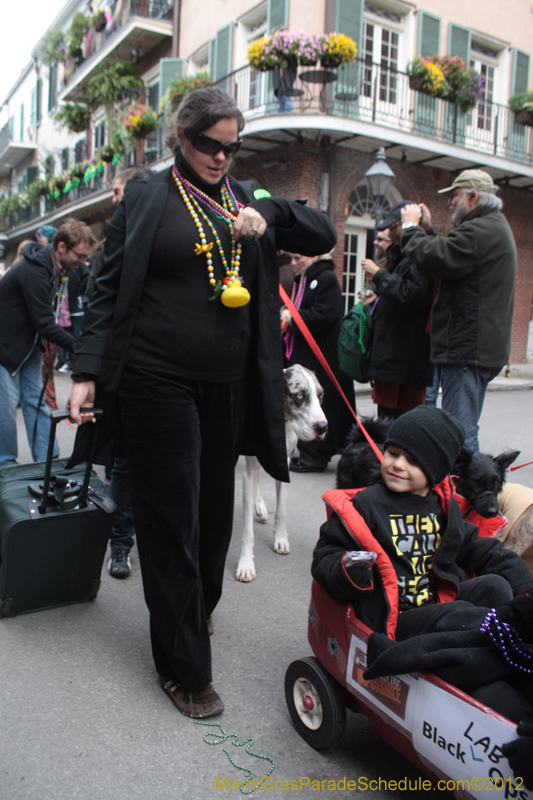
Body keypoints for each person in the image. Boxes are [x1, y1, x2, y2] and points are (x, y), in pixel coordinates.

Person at [67, 86, 337, 718]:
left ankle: (194, 610)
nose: (220, 156)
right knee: (171, 515)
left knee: (214, 517)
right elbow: (106, 288)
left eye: (231, 147)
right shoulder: (146, 197)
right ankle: (183, 666)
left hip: (229, 385)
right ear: (181, 138)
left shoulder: (245, 197)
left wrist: (268, 211)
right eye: (208, 144)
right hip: (154, 379)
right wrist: (86, 370)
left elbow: (322, 232)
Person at [312, 405, 533, 642]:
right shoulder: (364, 505)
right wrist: (347, 569)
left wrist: (526, 587)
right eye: (393, 453)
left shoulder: (444, 508)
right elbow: (326, 555)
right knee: (462, 616)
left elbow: (482, 549)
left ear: (435, 470)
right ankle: (485, 645)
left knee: (496, 586)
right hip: (393, 617)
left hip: (436, 602)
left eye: (412, 461)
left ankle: (497, 642)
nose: (398, 464)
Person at [400, 169, 516, 451]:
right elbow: (452, 254)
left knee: (459, 436)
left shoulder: (479, 231)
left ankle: (465, 480)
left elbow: (434, 258)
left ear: (472, 197)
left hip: (467, 351)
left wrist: (410, 228)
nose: (450, 201)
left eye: (454, 195)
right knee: (462, 429)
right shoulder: (489, 227)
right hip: (475, 349)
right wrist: (428, 231)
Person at [0, 219, 95, 464]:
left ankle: (47, 461)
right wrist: (79, 347)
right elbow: (45, 323)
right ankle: (5, 465)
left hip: (27, 346)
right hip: (5, 348)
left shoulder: (51, 267)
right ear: (62, 246)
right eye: (79, 256)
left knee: (36, 401)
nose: (82, 262)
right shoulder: (34, 271)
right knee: (6, 408)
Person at [281, 251, 355, 472]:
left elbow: (324, 315)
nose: (293, 263)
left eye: (298, 258)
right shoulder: (304, 278)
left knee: (321, 405)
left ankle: (316, 456)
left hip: (322, 355)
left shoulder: (327, 278)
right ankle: (307, 452)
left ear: (315, 255)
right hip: (305, 353)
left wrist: (292, 317)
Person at [361, 201, 433, 419]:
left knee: (398, 424)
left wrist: (379, 275)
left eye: (394, 227)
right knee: (386, 420)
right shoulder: (403, 254)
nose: (390, 232)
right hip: (392, 360)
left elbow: (410, 295)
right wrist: (378, 294)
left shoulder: (420, 254)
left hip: (404, 361)